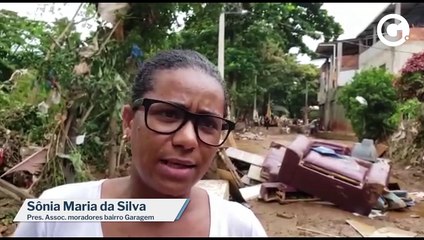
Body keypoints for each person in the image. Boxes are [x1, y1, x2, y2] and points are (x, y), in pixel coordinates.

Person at [13, 50, 268, 237]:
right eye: (168, 114)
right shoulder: (56, 212)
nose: (188, 139)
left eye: (208, 124)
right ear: (128, 121)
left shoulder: (239, 228)